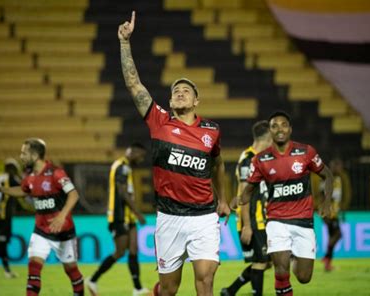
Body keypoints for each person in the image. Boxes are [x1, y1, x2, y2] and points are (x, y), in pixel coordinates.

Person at [118, 11, 231, 296]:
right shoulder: (159, 120)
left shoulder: (211, 131)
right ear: (170, 100)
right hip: (168, 217)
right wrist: (124, 43)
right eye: (175, 91)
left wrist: (224, 199)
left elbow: (218, 164)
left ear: (196, 100)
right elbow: (134, 85)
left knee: (205, 278)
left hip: (204, 216)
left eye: (186, 90)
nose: (180, 93)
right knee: (169, 289)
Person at [232, 110, 333, 296]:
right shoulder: (259, 159)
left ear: (290, 129)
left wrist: (326, 202)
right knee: (280, 271)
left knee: (304, 277)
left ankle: (294, 256)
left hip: (303, 221)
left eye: (283, 125)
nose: (279, 129)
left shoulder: (305, 152)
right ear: (270, 131)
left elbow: (327, 175)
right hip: (276, 221)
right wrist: (237, 200)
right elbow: (249, 188)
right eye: (274, 126)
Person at [0, 138, 84, 296]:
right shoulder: (30, 177)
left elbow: (74, 194)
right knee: (34, 270)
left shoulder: (57, 173)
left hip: (63, 232)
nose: (21, 156)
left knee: (72, 271)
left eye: (24, 153)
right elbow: (23, 191)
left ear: (35, 155)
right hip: (41, 231)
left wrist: (62, 216)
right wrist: (3, 190)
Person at [86, 143, 149, 296]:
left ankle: (138, 288)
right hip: (118, 216)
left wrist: (133, 213)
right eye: (141, 156)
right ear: (133, 152)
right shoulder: (121, 166)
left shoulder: (126, 166)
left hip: (128, 216)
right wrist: (138, 212)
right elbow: (122, 192)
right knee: (120, 252)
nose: (141, 159)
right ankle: (92, 280)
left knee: (133, 249)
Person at [220, 121, 273, 296]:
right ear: (268, 137)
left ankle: (230, 290)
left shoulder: (262, 158)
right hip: (252, 219)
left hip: (262, 218)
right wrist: (247, 225)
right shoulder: (248, 159)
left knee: (267, 261)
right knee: (260, 262)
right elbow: (244, 195)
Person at [320, 158, 344, 271]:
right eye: (337, 166)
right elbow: (323, 196)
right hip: (330, 214)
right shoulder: (328, 179)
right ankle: (326, 256)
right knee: (338, 235)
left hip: (335, 213)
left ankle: (327, 263)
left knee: (332, 236)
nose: (340, 168)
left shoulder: (338, 179)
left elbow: (338, 198)